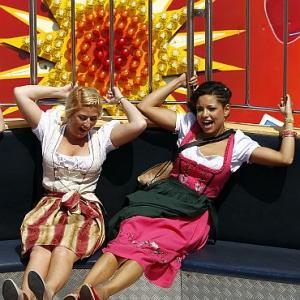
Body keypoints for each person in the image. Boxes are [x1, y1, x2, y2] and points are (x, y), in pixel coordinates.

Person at [64, 73, 295, 300]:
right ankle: (81, 291)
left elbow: (284, 158)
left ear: (226, 111)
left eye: (211, 109)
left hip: (190, 217)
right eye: (201, 108)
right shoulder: (188, 125)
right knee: (124, 242)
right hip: (160, 200)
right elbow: (146, 106)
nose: (204, 115)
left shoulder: (239, 144)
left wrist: (288, 121)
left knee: (145, 250)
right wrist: (179, 81)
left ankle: (101, 293)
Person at [1, 83, 147, 300]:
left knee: (63, 250)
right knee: (40, 250)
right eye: (82, 117)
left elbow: (139, 123)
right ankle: (26, 296)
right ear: (69, 113)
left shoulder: (101, 138)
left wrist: (120, 99)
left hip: (84, 209)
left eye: (93, 118)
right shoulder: (49, 128)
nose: (88, 124)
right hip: (49, 205)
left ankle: (47, 292)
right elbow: (20, 93)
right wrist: (60, 92)